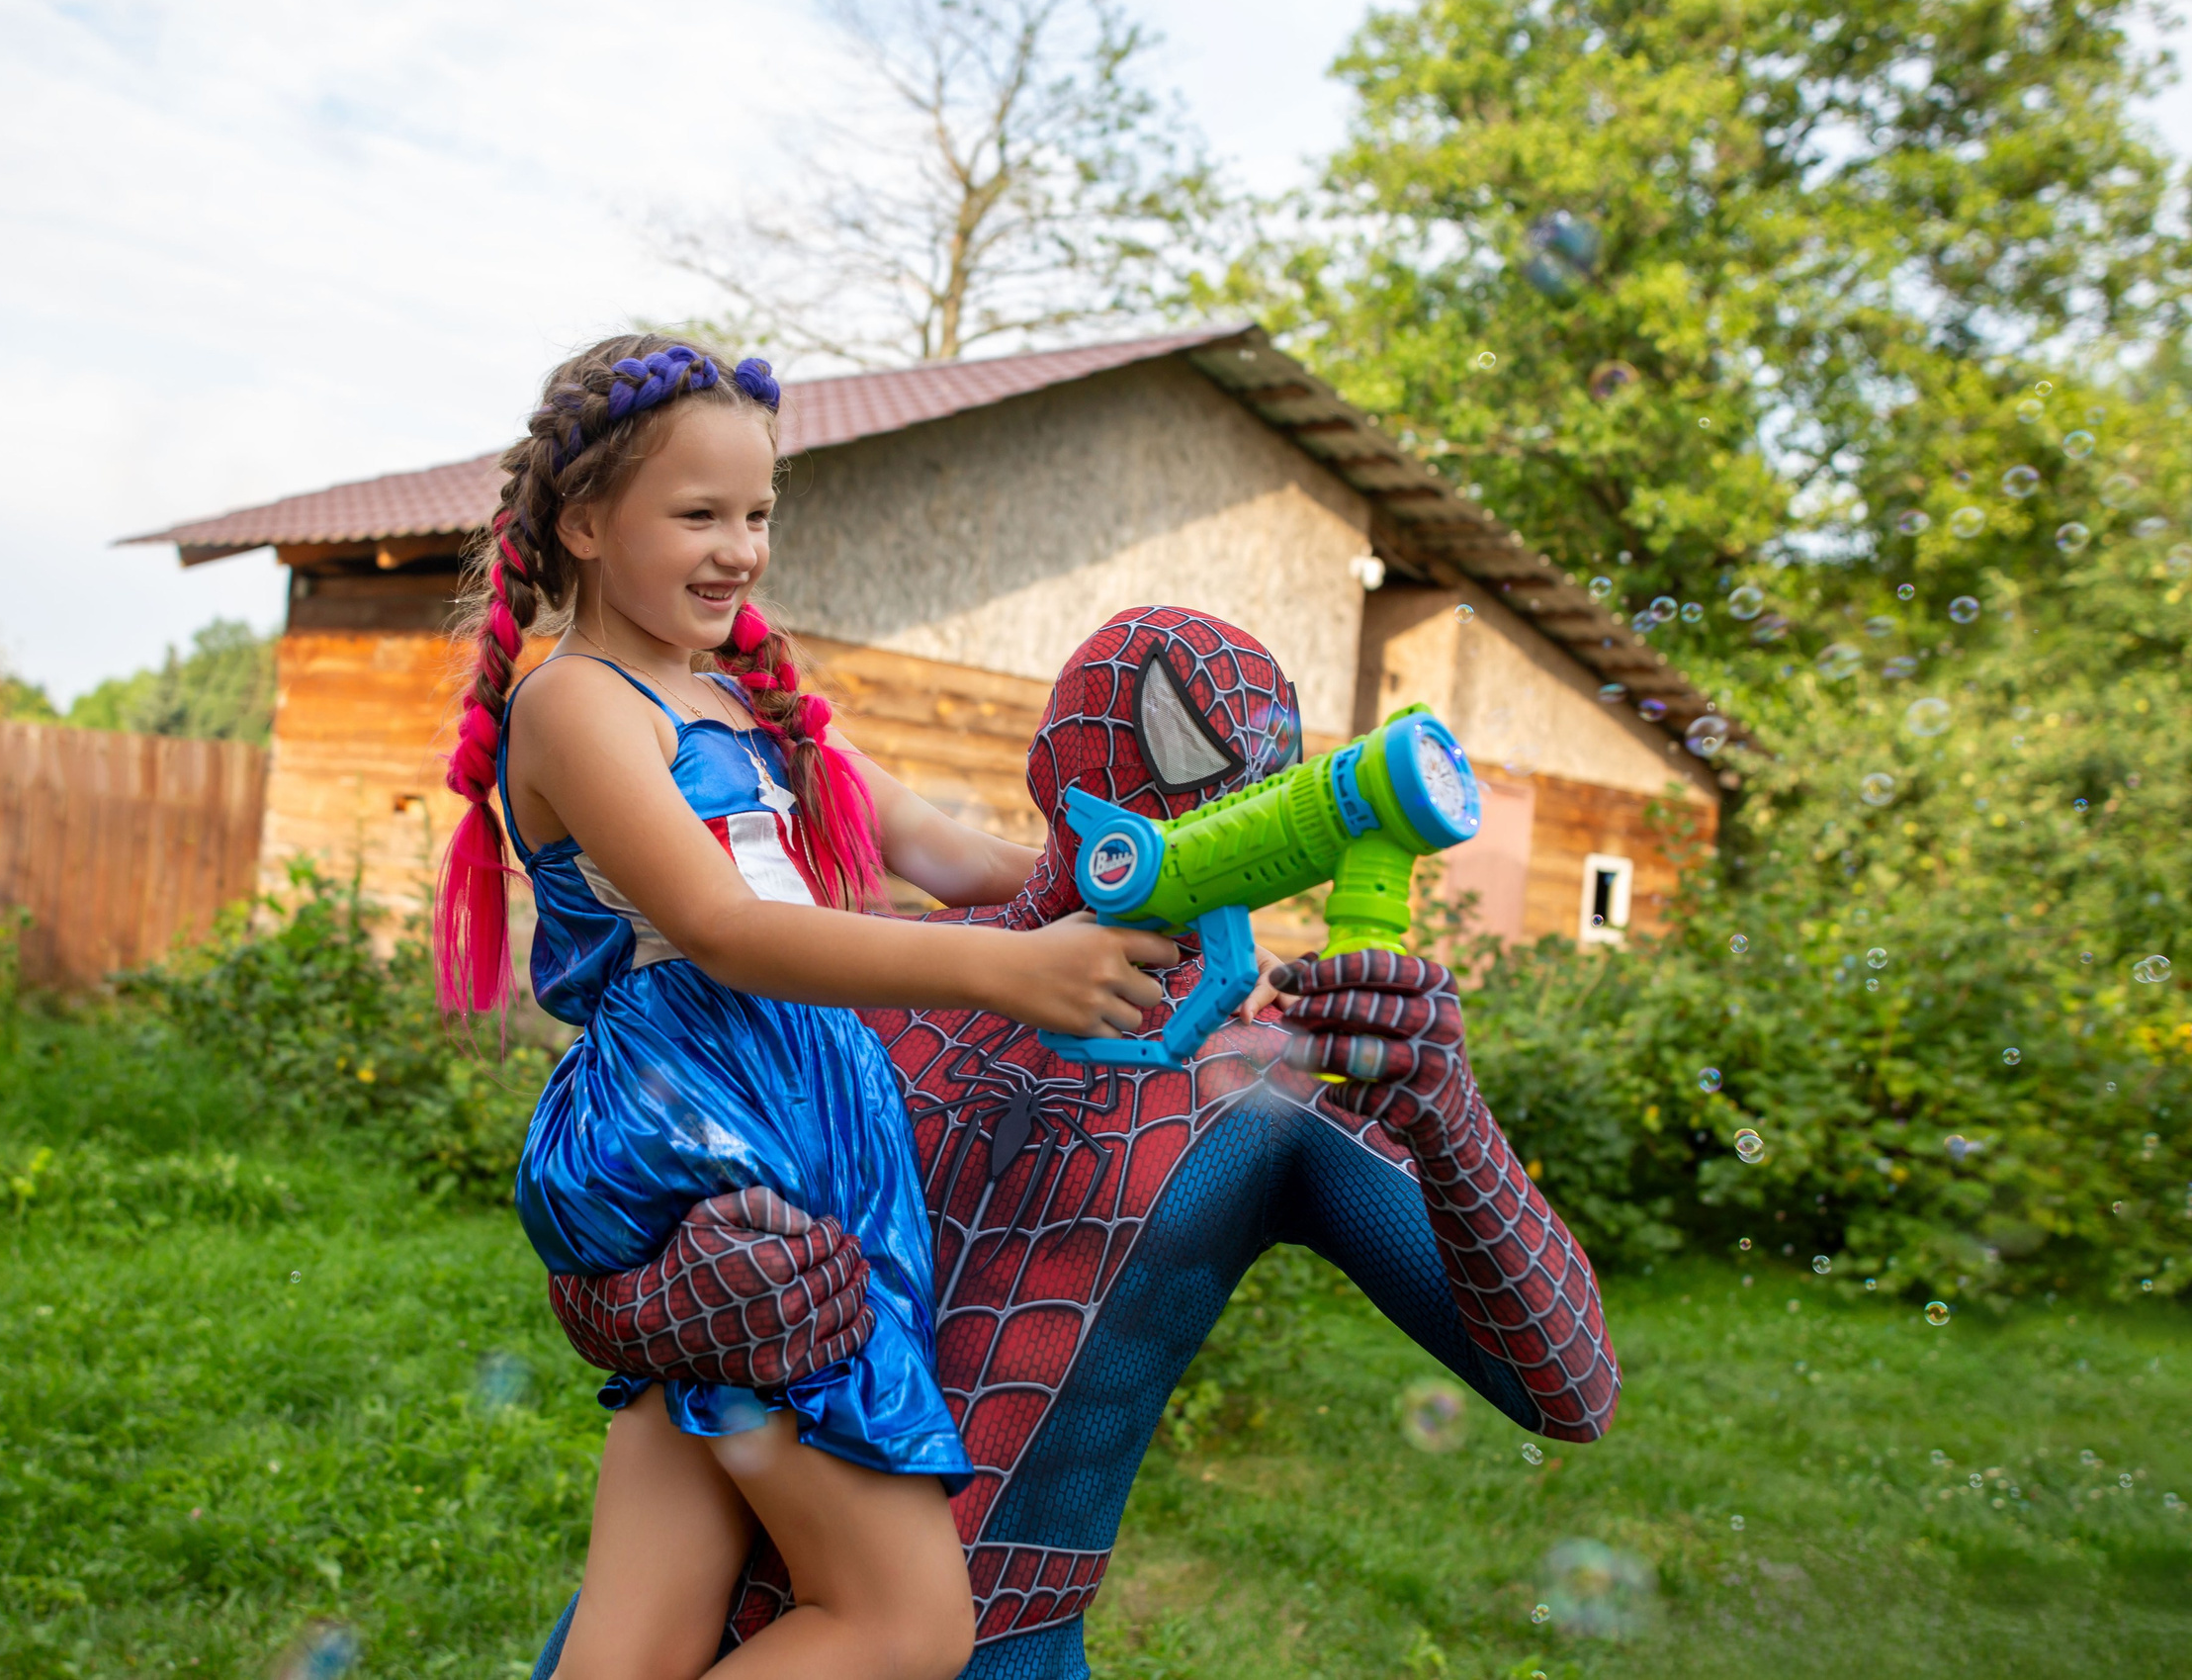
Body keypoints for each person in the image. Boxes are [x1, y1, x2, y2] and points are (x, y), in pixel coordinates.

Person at [533, 608, 1621, 1678]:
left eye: (1259, 779)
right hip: (681, 1611)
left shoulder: (1259, 1088)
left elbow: (1569, 1393)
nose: (1216, 810)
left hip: (995, 1644)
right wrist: (650, 1304)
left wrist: (1447, 1114)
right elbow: (599, 1216)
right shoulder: (852, 980)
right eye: (1187, 751)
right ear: (1057, 759)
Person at [434, 341, 1279, 1680]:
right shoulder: (578, 701)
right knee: (903, 1622)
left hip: (794, 1127)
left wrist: (1159, 875)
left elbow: (953, 854)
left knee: (641, 1633)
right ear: (585, 523)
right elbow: (720, 925)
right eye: (698, 514)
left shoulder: (754, 707)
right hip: (716, 1139)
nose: (738, 549)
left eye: (758, 513)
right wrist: (1007, 969)